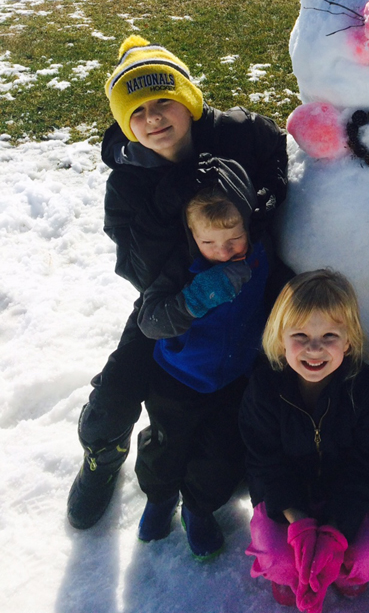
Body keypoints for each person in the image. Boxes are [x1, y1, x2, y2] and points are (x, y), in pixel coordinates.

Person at [67, 35, 288, 530]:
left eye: (163, 100)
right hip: (171, 298)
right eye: (137, 111)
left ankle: (257, 468)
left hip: (249, 288)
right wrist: (166, 207)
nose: (153, 118)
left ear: (187, 100)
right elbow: (135, 272)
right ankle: (102, 456)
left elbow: (274, 146)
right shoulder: (128, 181)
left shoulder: (235, 134)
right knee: (114, 397)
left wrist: (266, 198)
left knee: (267, 381)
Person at [239, 269, 369, 612]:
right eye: (300, 334)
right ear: (280, 339)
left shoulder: (368, 388)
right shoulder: (264, 388)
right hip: (285, 502)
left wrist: (335, 529)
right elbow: (263, 460)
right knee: (279, 558)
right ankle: (291, 575)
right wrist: (298, 521)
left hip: (347, 499)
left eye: (329, 335)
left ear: (349, 341)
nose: (314, 349)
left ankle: (347, 574)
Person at [133, 157, 271, 559]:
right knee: (167, 447)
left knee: (220, 455)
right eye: (209, 243)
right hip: (175, 378)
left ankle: (198, 509)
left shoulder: (261, 257)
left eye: (233, 240)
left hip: (233, 381)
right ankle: (159, 498)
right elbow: (150, 320)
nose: (222, 252)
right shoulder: (183, 266)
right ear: (192, 235)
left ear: (249, 225)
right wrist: (195, 298)